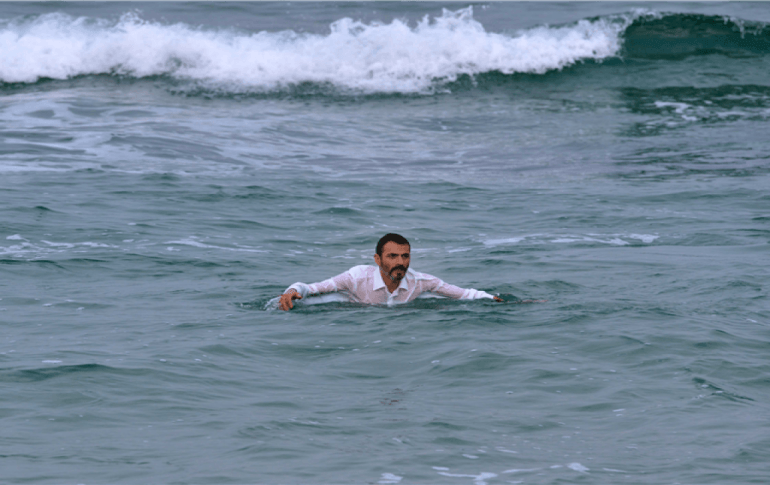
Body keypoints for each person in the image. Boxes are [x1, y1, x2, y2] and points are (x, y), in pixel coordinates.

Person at [278, 233, 503, 311]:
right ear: (378, 260)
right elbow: (311, 288)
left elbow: (464, 293)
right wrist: (290, 292)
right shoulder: (357, 277)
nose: (400, 262)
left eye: (405, 256)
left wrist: (493, 299)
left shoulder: (420, 281)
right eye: (392, 256)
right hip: (355, 312)